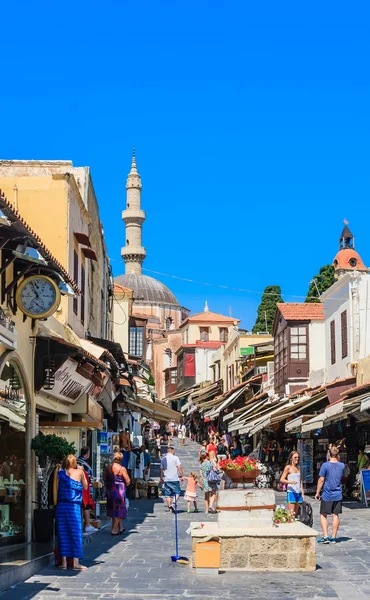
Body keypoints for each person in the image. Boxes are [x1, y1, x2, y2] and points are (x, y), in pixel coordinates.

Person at [56, 454, 88, 570]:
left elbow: (57, 489)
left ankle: (64, 562)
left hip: (62, 506)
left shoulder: (60, 474)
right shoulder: (79, 472)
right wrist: (82, 472)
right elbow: (85, 486)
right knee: (75, 533)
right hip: (74, 507)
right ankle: (75, 562)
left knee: (63, 533)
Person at [315, 446, 345, 544]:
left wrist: (317, 492)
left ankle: (325, 536)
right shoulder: (342, 465)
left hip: (327, 494)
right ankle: (333, 537)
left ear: (329, 453)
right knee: (335, 515)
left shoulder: (325, 465)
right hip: (338, 494)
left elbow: (321, 479)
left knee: (323, 515)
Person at [104, 452, 131, 535]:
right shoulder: (122, 469)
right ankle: (114, 529)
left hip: (110, 490)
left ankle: (121, 527)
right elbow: (128, 481)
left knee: (113, 509)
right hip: (119, 491)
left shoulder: (108, 468)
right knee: (119, 510)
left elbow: (104, 478)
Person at [77, 446, 95, 533]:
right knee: (86, 506)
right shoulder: (84, 464)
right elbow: (87, 477)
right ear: (87, 453)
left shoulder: (76, 462)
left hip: (76, 488)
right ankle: (87, 525)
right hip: (84, 489)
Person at [160, 446, 184, 513]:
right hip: (174, 478)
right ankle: (173, 503)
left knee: (167, 494)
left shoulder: (163, 459)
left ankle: (170, 508)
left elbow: (161, 470)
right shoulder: (175, 458)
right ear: (172, 451)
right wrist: (182, 476)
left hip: (167, 479)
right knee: (178, 492)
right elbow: (179, 467)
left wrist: (161, 478)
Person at [280, 451, 304, 517]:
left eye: (298, 457)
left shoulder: (298, 468)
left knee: (296, 514)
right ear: (291, 458)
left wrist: (302, 492)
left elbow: (300, 481)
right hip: (291, 492)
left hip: (298, 492)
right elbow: (282, 479)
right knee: (291, 513)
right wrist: (290, 482)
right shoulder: (288, 467)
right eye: (295, 457)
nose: (297, 459)